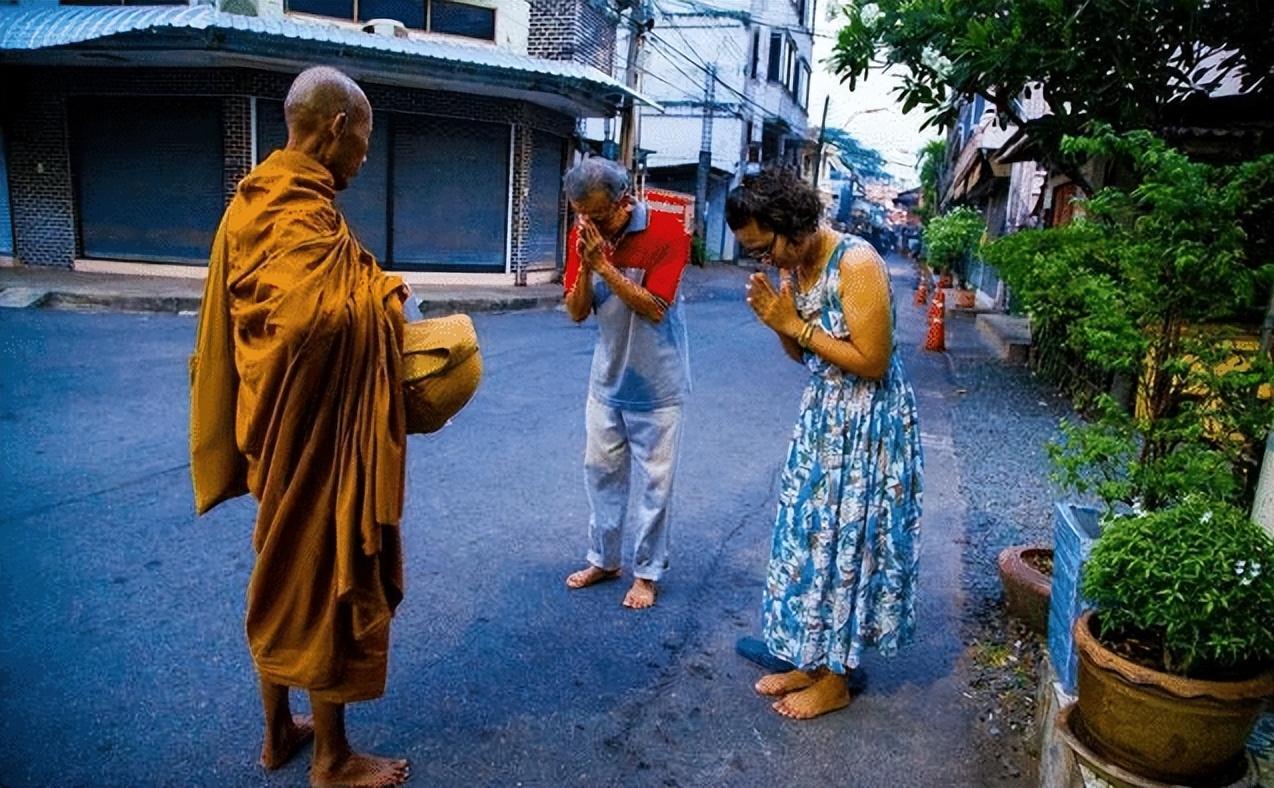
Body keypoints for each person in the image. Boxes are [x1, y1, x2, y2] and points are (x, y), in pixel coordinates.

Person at [190, 66, 411, 787]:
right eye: (366, 143)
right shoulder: (297, 214)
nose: (365, 160)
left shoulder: (254, 201)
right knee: (322, 571)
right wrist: (382, 298)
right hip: (313, 427)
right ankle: (332, 758)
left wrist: (362, 284)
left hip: (275, 420)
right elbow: (311, 320)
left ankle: (279, 729)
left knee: (282, 567)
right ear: (338, 128)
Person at [725, 167, 923, 720]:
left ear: (793, 224)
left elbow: (873, 360)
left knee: (845, 548)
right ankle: (812, 659)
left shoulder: (855, 262)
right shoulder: (800, 266)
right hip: (825, 419)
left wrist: (796, 324)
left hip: (868, 426)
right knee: (810, 540)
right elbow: (804, 356)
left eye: (765, 247)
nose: (765, 261)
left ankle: (835, 680)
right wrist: (779, 323)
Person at [561, 157, 692, 610]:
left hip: (659, 386)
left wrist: (606, 267)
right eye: (581, 215)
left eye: (597, 216)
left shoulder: (669, 233)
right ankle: (604, 559)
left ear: (625, 201)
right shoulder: (584, 237)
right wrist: (584, 265)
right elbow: (577, 312)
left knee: (657, 485)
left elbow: (655, 306)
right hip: (606, 380)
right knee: (600, 474)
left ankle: (647, 574)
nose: (589, 224)